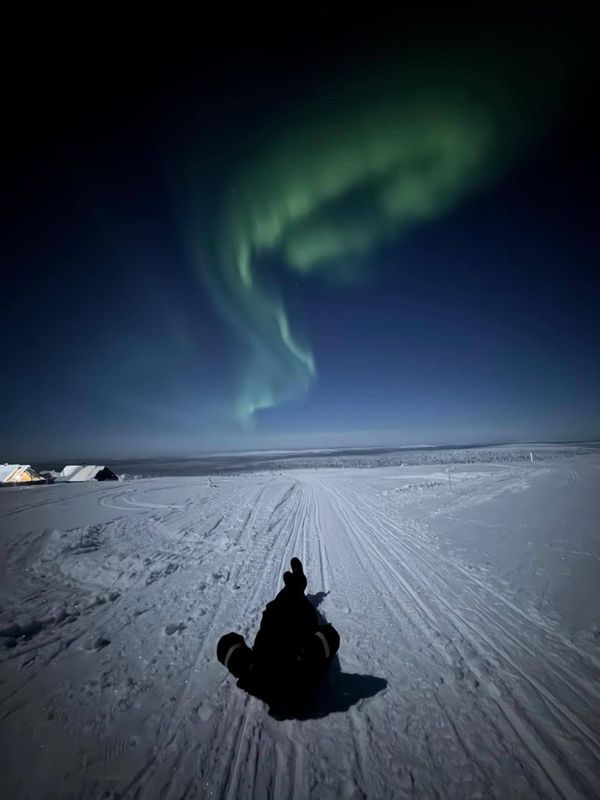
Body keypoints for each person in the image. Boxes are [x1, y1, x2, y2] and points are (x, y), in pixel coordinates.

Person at [217, 557, 340, 715]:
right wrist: (312, 650)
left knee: (280, 602)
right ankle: (297, 582)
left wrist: (240, 660)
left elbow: (226, 645)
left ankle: (295, 583)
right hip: (299, 621)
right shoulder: (302, 675)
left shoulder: (253, 674)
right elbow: (332, 636)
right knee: (294, 600)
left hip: (274, 620)